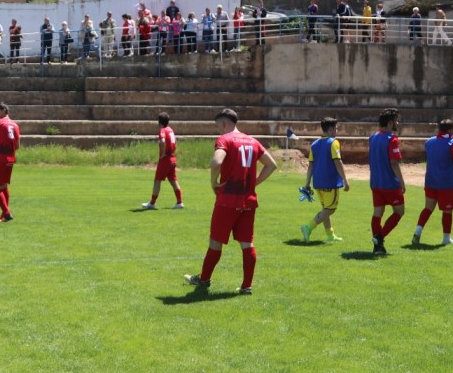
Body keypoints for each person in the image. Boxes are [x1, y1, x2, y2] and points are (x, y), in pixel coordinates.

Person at [183, 108, 277, 295]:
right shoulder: (253, 141)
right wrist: (254, 183)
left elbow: (216, 162)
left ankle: (204, 280)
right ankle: (246, 286)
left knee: (215, 242)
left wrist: (213, 183)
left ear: (224, 124)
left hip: (227, 200)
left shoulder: (225, 139)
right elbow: (272, 165)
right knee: (247, 244)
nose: (219, 130)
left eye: (219, 126)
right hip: (248, 201)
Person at [413, 119, 453, 246]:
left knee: (428, 208)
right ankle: (446, 238)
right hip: (445, 182)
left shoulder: (429, 141)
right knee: (447, 210)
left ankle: (417, 231)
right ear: (450, 129)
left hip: (430, 180)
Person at [300, 117, 349, 243]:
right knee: (330, 209)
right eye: (336, 128)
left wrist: (307, 183)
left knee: (325, 209)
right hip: (330, 182)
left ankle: (330, 235)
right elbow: (338, 162)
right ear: (331, 129)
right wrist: (345, 180)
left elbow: (310, 165)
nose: (337, 130)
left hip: (318, 183)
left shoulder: (314, 144)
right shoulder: (334, 142)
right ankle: (308, 227)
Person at [369, 108, 406, 256]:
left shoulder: (373, 138)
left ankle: (378, 247)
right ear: (391, 123)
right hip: (390, 183)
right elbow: (394, 163)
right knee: (399, 211)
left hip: (376, 182)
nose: (397, 123)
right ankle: (379, 237)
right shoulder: (392, 139)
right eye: (396, 120)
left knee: (378, 212)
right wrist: (402, 182)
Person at [142, 112, 184, 210]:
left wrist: (163, 153)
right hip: (172, 158)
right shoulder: (170, 130)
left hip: (165, 160)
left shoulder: (162, 130)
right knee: (173, 181)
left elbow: (162, 141)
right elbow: (175, 142)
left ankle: (152, 203)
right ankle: (179, 202)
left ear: (159, 122)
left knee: (157, 180)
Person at [0, 101, 21, 222]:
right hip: (10, 159)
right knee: (4, 186)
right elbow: (17, 146)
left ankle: (6, 213)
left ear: (4, 111)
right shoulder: (15, 125)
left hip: (0, 159)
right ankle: (4, 212)